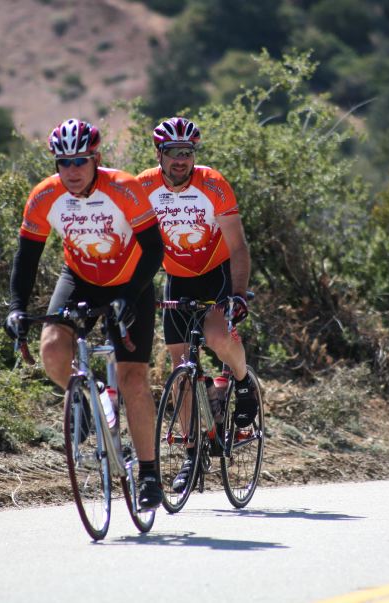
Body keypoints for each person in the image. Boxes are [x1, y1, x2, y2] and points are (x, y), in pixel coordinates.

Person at [4, 118, 166, 510]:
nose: (72, 171)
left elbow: (155, 250)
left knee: (133, 379)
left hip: (131, 283)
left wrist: (129, 296)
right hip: (80, 277)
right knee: (53, 349)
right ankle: (90, 403)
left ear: (96, 158)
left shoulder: (124, 188)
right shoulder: (44, 197)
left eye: (80, 161)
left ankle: (149, 475)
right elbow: (26, 260)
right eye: (64, 163)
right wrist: (16, 309)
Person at [137, 117, 256, 492]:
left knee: (219, 337)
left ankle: (242, 381)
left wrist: (237, 294)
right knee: (180, 364)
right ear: (159, 154)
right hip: (176, 275)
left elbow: (237, 246)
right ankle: (192, 453)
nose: (180, 160)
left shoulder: (213, 184)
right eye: (173, 153)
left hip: (215, 272)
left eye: (187, 153)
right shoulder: (142, 187)